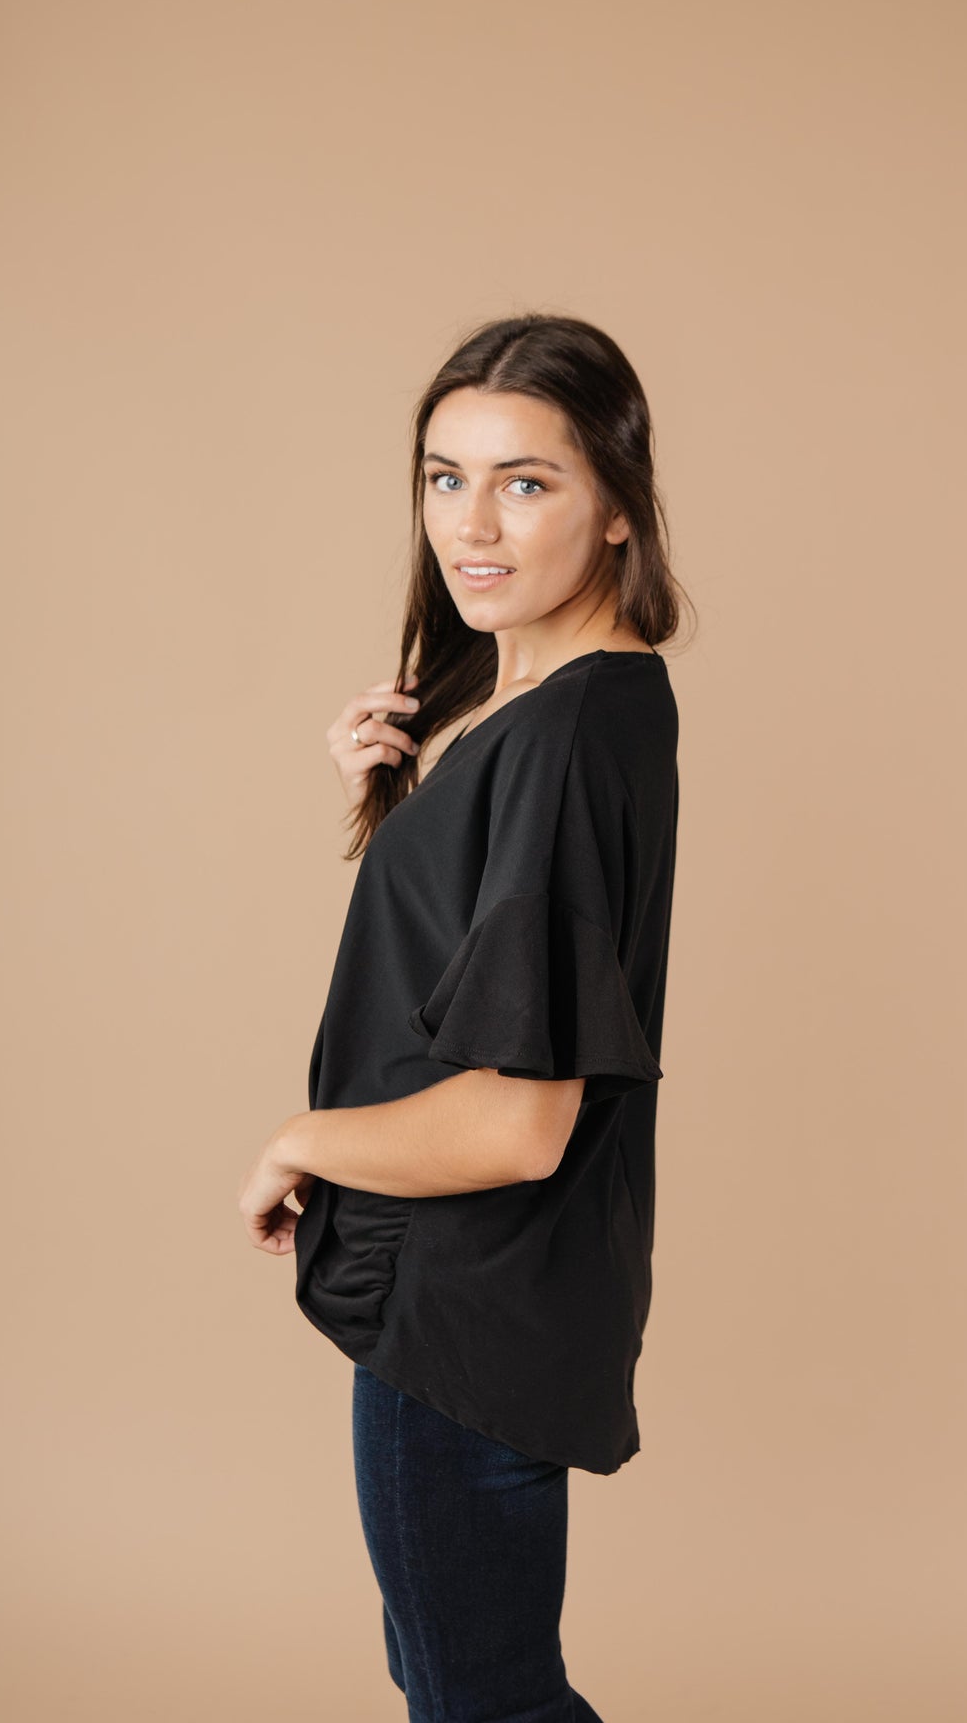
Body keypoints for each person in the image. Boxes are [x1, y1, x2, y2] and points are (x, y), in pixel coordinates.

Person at [238, 312, 690, 1722]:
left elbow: (516, 1121)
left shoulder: (561, 740)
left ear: (618, 505)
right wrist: (408, 798)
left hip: (466, 1312)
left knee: (480, 1699)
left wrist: (299, 1140)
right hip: (486, 1304)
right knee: (468, 1684)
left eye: (526, 481)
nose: (471, 525)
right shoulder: (564, 710)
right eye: (446, 477)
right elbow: (463, 977)